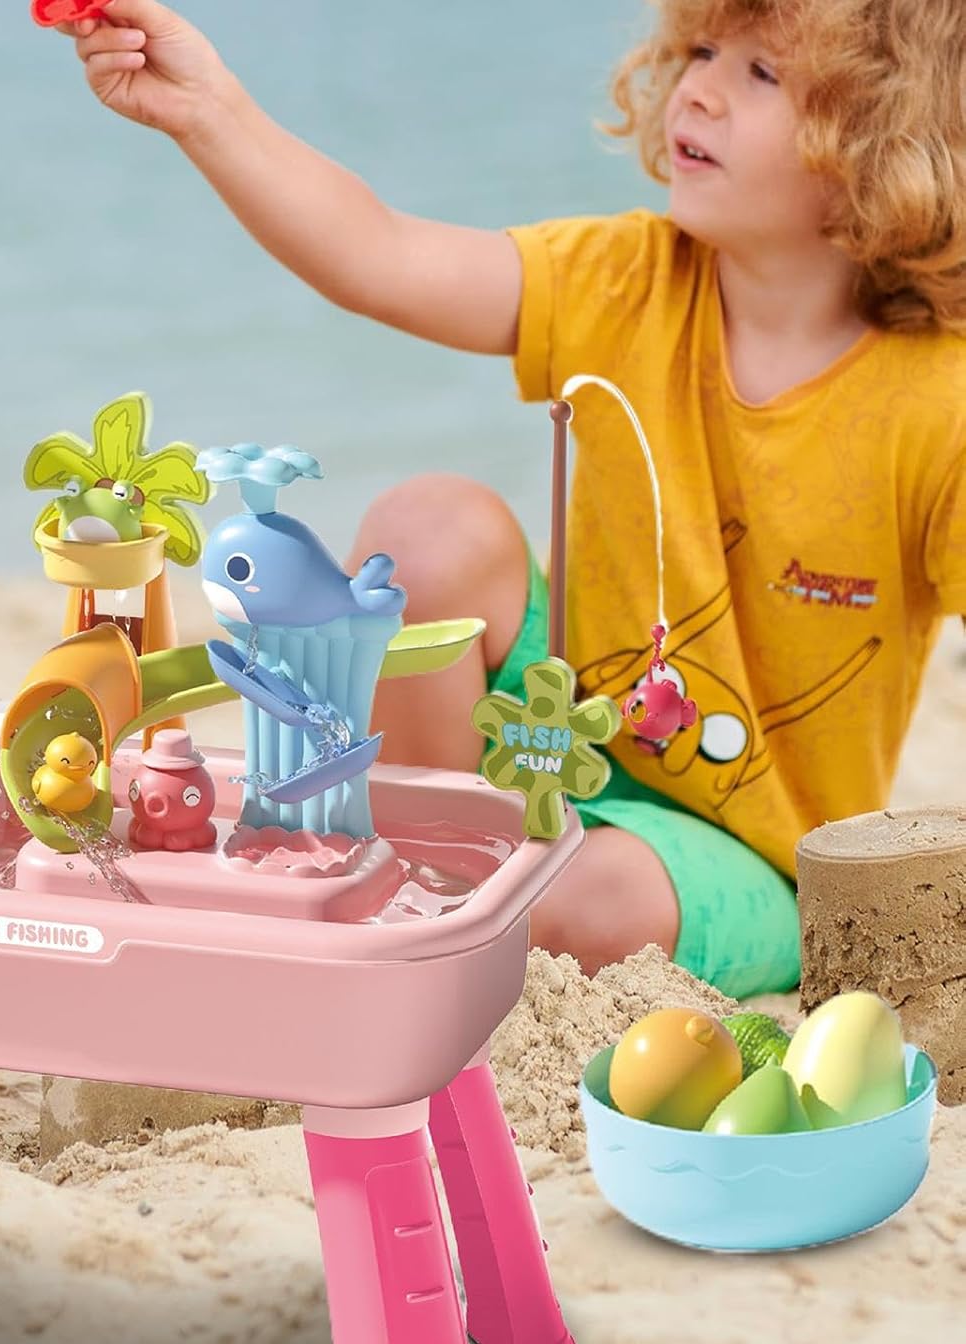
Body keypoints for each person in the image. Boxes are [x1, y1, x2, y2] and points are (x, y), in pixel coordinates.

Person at [57, 0, 966, 997]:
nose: (699, 90)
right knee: (426, 530)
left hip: (745, 851)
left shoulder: (939, 405)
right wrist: (206, 109)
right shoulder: (629, 280)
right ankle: (425, 871)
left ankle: (459, 926)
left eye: (763, 75)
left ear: (887, 143)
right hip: (554, 728)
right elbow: (376, 253)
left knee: (591, 903)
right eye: (703, 50)